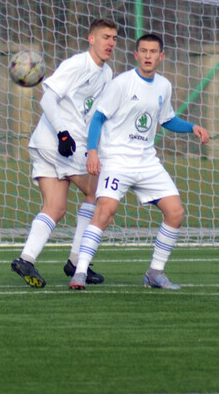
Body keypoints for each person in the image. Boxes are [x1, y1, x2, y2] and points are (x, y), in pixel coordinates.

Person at [69, 32, 210, 290]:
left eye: (153, 52)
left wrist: (192, 127)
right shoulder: (122, 83)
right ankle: (79, 273)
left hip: (146, 161)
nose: (148, 56)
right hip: (117, 160)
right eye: (143, 51)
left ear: (161, 56)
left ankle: (155, 272)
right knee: (105, 211)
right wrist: (92, 151)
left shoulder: (164, 86)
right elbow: (98, 118)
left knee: (175, 212)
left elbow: (166, 119)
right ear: (136, 55)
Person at [10, 18, 118, 288]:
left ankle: (26, 258)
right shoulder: (77, 64)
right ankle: (76, 260)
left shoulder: (107, 74)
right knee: (99, 192)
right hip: (60, 144)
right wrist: (63, 133)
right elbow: (46, 97)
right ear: (91, 39)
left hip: (48, 143)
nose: (111, 43)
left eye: (114, 38)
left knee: (55, 208)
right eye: (105, 37)